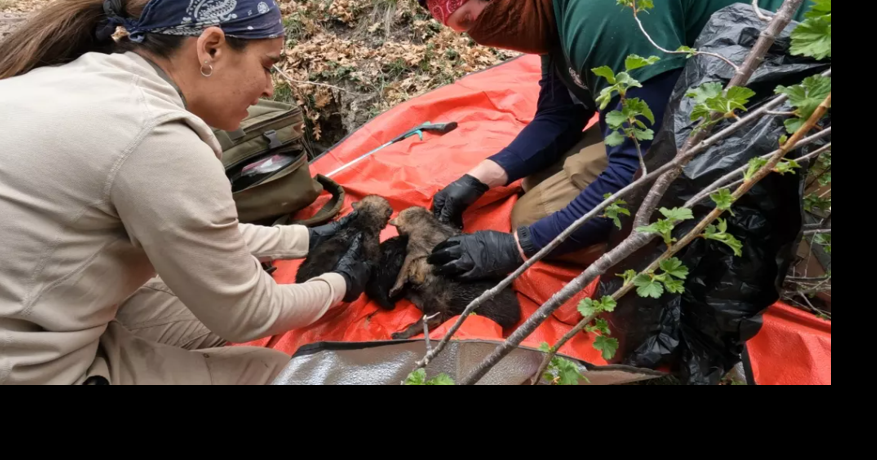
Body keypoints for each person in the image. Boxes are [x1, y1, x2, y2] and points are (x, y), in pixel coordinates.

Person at [0, 0, 372, 385]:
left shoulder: (69, 76)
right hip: (26, 368)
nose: (268, 88)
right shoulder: (156, 135)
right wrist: (343, 282)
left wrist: (301, 238)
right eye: (267, 66)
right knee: (277, 371)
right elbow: (250, 314)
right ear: (211, 47)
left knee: (176, 300)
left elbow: (189, 230)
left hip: (28, 308)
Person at [424, 0, 813, 281]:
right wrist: (480, 177)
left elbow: (639, 172)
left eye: (475, 17)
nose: (484, 33)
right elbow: (559, 114)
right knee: (537, 179)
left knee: (533, 217)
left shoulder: (600, 13)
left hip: (778, 85)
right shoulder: (548, 14)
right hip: (677, 92)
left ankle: (693, 245)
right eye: (465, 28)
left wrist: (519, 247)